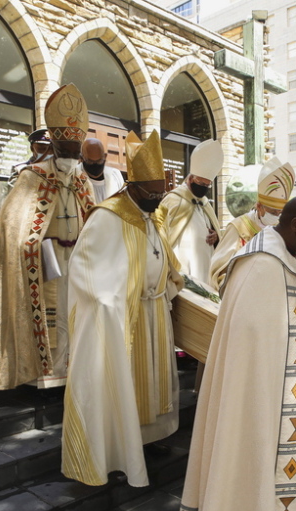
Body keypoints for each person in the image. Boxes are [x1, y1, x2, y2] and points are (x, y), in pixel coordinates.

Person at [176, 194, 296, 511]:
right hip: (259, 406)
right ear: (294, 223)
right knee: (247, 473)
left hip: (283, 400)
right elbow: (251, 347)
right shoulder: (261, 265)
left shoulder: (290, 260)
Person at [62, 129, 183, 488]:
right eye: (152, 194)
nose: (158, 200)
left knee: (153, 381)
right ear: (132, 186)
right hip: (123, 318)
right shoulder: (107, 216)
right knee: (127, 380)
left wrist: (173, 282)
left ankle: (147, 438)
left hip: (155, 312)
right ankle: (122, 448)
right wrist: (111, 300)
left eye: (162, 193)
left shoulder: (153, 214)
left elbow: (165, 258)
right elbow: (84, 270)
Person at [0, 84, 94, 393]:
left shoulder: (83, 180)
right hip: (46, 263)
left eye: (76, 151)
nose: (71, 157)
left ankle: (73, 373)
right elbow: (13, 224)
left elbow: (92, 219)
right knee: (51, 318)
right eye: (66, 151)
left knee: (75, 319)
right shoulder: (33, 177)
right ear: (54, 145)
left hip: (78, 263)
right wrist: (32, 246)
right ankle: (44, 378)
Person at [208, 157, 295, 290]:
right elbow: (218, 270)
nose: (277, 216)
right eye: (273, 211)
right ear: (259, 206)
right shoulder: (238, 228)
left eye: (280, 212)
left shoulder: (285, 231)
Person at [160, 139, 224, 289]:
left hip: (204, 268)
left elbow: (217, 235)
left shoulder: (205, 203)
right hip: (182, 271)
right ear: (190, 178)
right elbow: (162, 237)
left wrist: (216, 237)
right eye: (201, 184)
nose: (204, 188)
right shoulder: (173, 200)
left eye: (207, 185)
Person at [77, 137, 124, 202]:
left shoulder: (115, 175)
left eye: (99, 161)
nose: (95, 165)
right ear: (82, 158)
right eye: (90, 162)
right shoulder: (75, 176)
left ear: (105, 156)